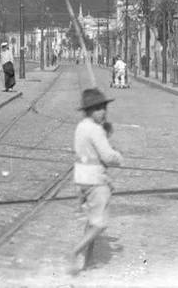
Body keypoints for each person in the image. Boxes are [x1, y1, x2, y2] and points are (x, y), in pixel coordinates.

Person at [69, 88, 123, 274]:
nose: (103, 112)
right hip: (95, 179)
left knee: (92, 220)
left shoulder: (81, 126)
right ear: (89, 111)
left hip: (81, 178)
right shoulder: (96, 130)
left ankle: (86, 260)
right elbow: (107, 156)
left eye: (104, 108)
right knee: (99, 223)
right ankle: (75, 252)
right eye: (99, 109)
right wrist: (119, 157)